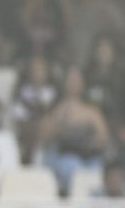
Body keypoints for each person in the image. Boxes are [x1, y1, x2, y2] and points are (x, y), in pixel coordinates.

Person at [38, 66, 111, 196]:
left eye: (77, 80)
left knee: (99, 169)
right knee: (71, 165)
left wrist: (89, 142)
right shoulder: (56, 109)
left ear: (83, 83)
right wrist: (60, 123)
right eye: (71, 80)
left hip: (89, 157)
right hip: (64, 157)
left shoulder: (92, 111)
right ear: (64, 83)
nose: (74, 84)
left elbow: (104, 139)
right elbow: (43, 139)